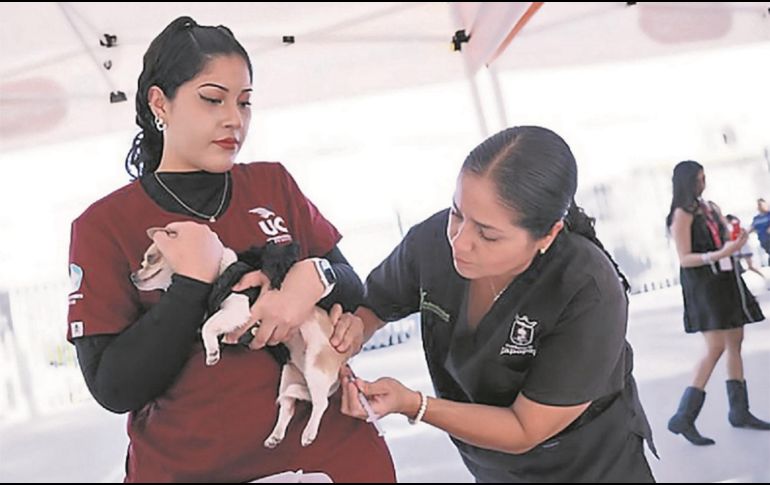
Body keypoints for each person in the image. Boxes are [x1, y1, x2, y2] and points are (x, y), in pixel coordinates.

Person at [66, 16, 395, 483]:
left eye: (244, 103)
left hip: (331, 458)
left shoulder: (272, 182)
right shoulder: (104, 226)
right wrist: (191, 286)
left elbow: (350, 284)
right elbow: (113, 387)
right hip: (191, 469)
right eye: (211, 99)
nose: (233, 120)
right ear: (160, 102)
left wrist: (312, 278)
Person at [339, 126, 657, 482]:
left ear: (547, 235)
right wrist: (349, 336)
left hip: (590, 466)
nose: (460, 243)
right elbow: (374, 305)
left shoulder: (586, 289)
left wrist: (413, 403)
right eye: (457, 214)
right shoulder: (431, 243)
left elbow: (524, 429)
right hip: (493, 468)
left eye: (487, 235)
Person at [664, 161, 769, 447]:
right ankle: (684, 416)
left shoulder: (709, 207)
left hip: (726, 279)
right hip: (704, 285)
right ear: (687, 182)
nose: (703, 182)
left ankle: (740, 411)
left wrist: (735, 238)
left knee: (735, 340)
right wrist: (719, 253)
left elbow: (723, 237)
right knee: (716, 347)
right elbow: (685, 258)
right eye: (699, 178)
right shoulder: (681, 215)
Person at [725, 214, 767, 285]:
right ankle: (764, 278)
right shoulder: (737, 226)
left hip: (741, 248)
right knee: (749, 267)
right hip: (742, 248)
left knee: (749, 267)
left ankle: (764, 278)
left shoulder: (732, 227)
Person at [751, 198, 770, 265]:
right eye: (759, 205)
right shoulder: (756, 218)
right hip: (763, 240)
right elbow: (751, 228)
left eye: (761, 204)